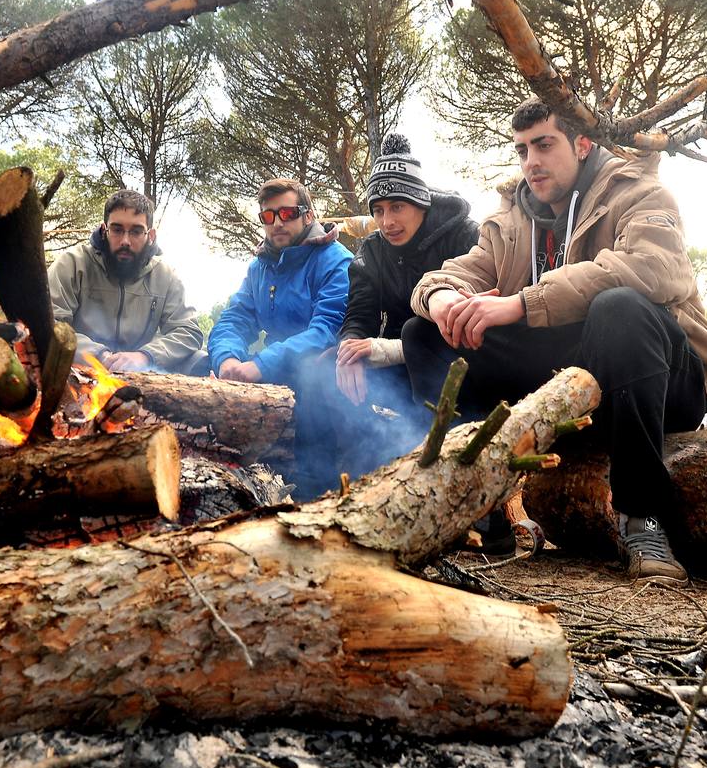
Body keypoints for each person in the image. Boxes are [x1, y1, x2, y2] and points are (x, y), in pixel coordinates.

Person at [403, 97, 707, 581]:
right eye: (521, 150)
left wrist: (522, 303)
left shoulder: (639, 192)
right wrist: (441, 300)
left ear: (582, 144)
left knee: (619, 306)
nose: (531, 161)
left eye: (544, 144)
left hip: (659, 380)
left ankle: (643, 518)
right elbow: (455, 273)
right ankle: (475, 508)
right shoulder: (511, 217)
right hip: (570, 386)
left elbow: (654, 270)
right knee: (423, 335)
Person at [320, 133, 479, 477]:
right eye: (378, 210)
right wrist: (349, 346)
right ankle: (359, 474)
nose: (387, 222)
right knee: (331, 371)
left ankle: (448, 467)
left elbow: (469, 318)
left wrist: (382, 348)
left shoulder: (462, 235)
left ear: (420, 203)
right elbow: (359, 313)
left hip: (456, 356)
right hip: (396, 361)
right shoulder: (373, 251)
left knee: (417, 335)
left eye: (397, 207)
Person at [207, 178, 352, 500]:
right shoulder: (261, 267)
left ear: (308, 216)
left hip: (326, 363)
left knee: (312, 376)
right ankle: (224, 478)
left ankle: (317, 490)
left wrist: (261, 365)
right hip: (274, 365)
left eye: (287, 213)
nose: (277, 223)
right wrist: (227, 359)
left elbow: (326, 330)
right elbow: (234, 318)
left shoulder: (334, 260)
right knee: (205, 367)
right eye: (268, 216)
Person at [48, 188, 204, 373]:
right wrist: (99, 356)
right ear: (104, 229)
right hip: (80, 369)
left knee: (200, 359)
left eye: (136, 231)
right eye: (117, 229)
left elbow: (188, 331)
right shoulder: (73, 263)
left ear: (150, 235)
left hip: (140, 373)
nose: (125, 241)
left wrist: (146, 356)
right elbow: (50, 321)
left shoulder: (166, 275)